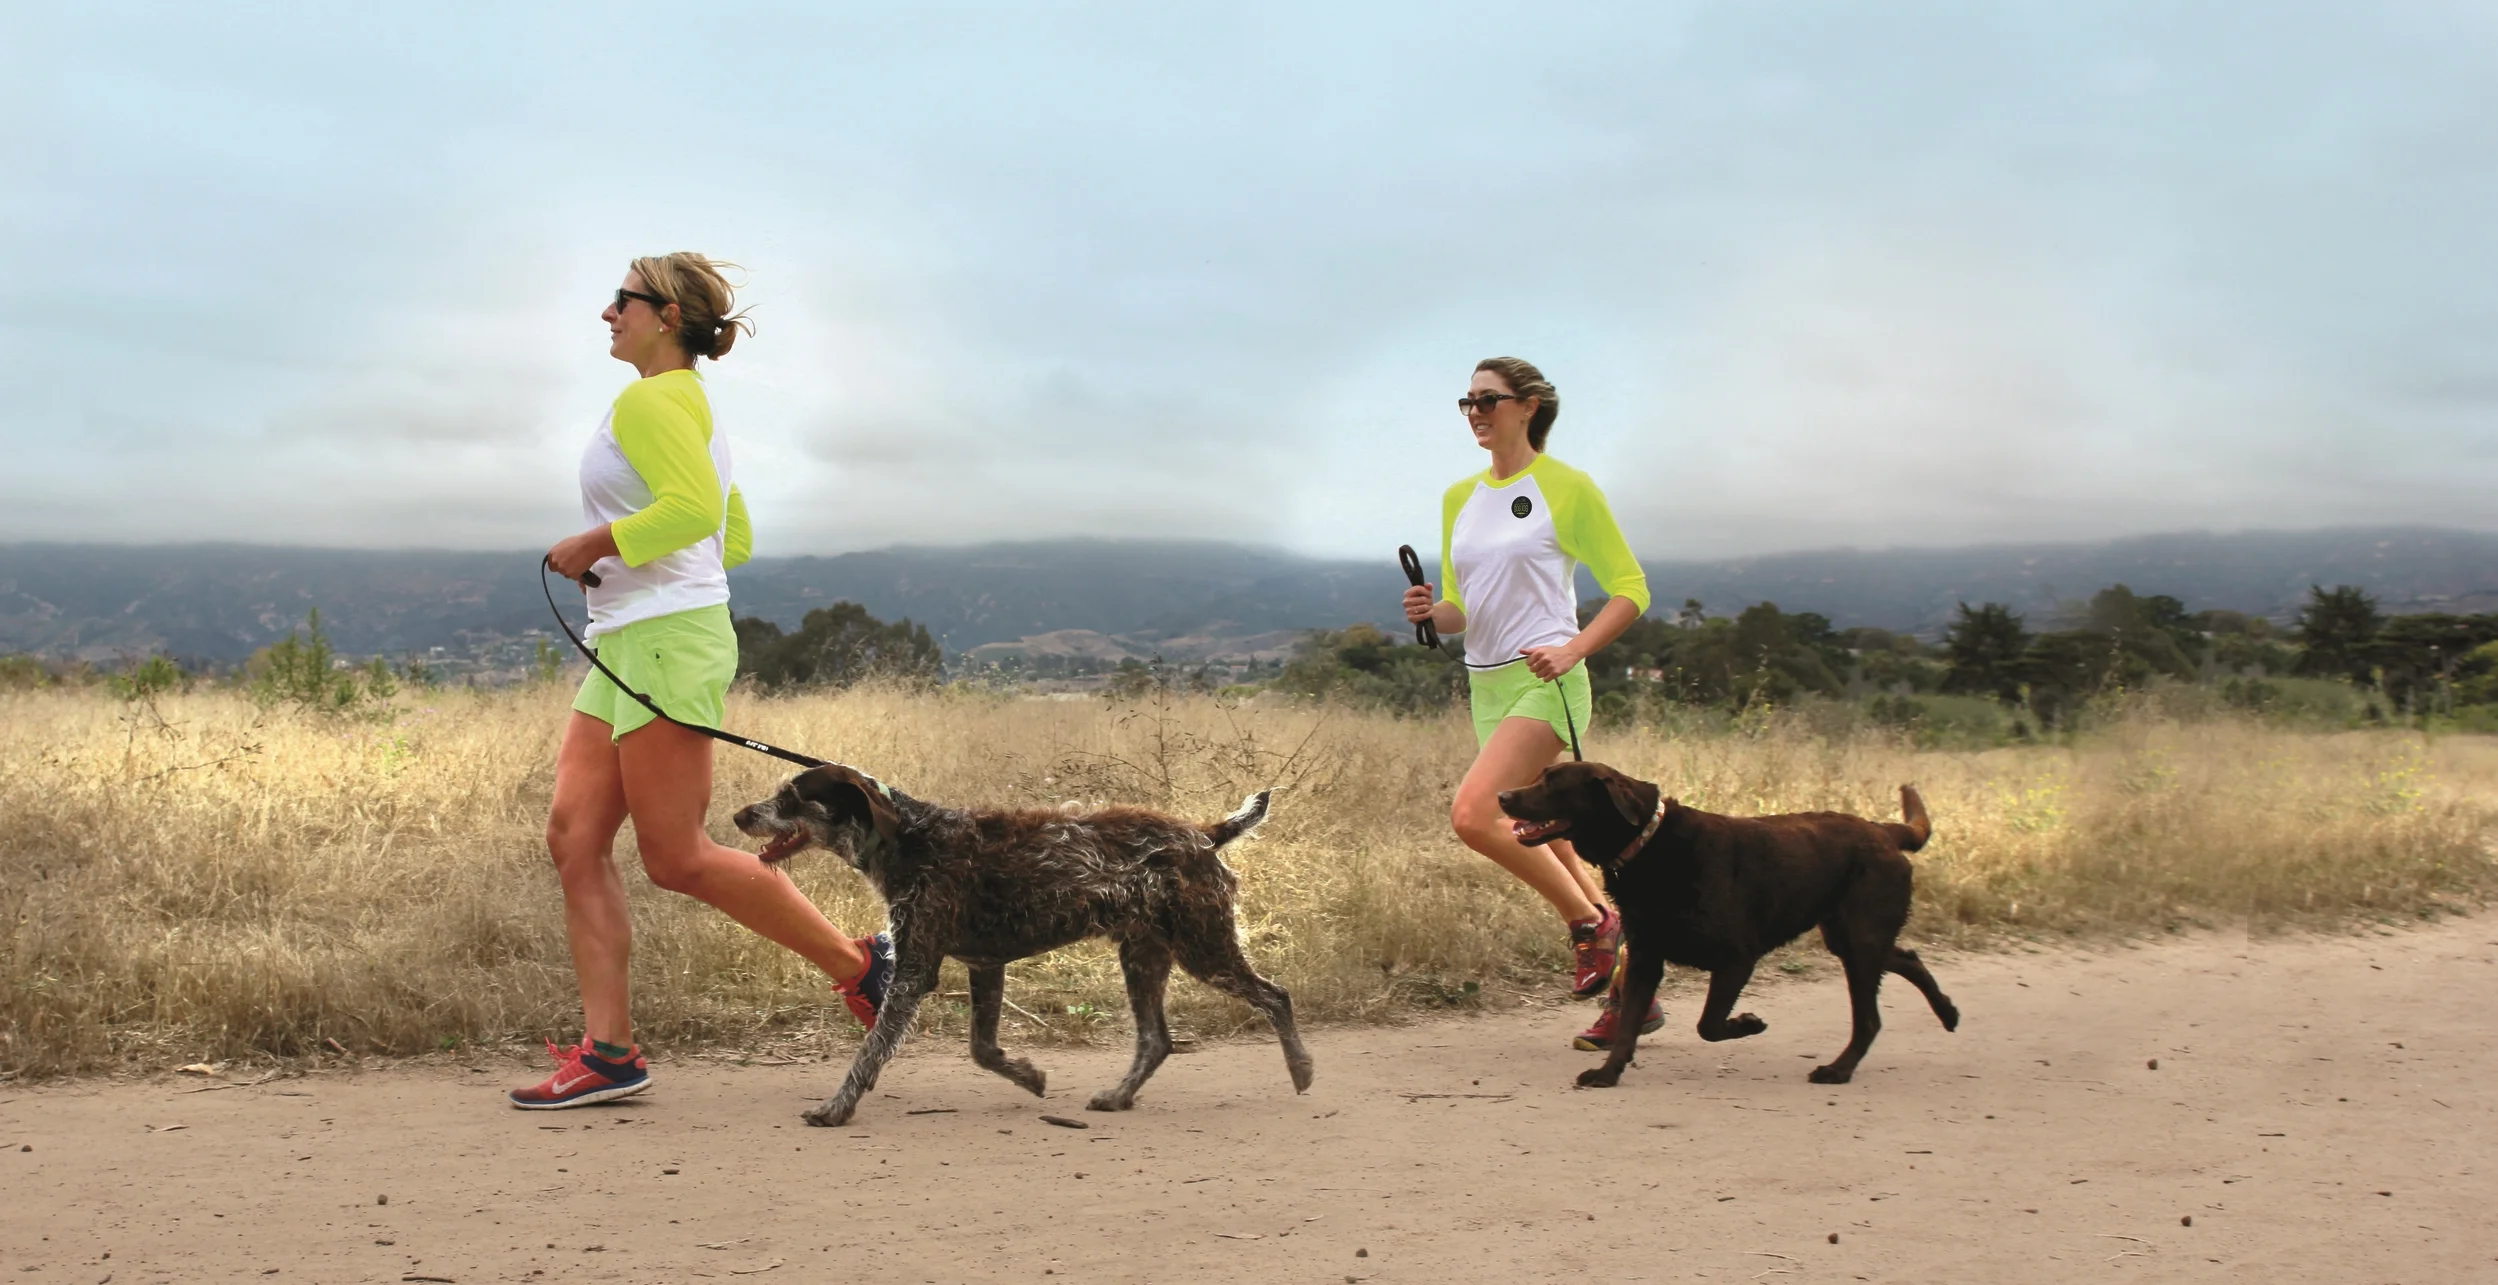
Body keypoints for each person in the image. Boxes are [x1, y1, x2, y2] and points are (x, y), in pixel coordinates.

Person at [514, 253, 892, 1109]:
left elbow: (691, 517)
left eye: (622, 300)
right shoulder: (691, 409)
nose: (607, 313)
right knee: (574, 840)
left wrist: (594, 545)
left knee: (676, 855)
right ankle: (609, 1054)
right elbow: (733, 537)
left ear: (668, 314)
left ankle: (864, 966)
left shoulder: (653, 400)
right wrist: (638, 572)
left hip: (665, 645)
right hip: (632, 639)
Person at [1402, 356, 1662, 1050]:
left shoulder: (1566, 488)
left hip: (1546, 682)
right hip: (1483, 682)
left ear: (1530, 405)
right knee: (1551, 839)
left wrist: (1574, 648)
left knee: (1475, 814)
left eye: (1488, 399)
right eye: (1467, 401)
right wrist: (1432, 611)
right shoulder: (1461, 496)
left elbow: (1631, 587)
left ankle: (1592, 925)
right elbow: (1462, 609)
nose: (1475, 412)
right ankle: (1634, 997)